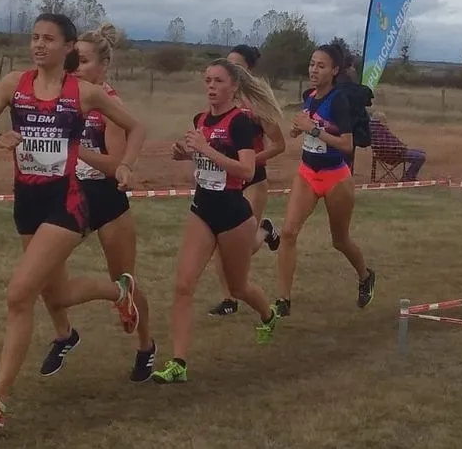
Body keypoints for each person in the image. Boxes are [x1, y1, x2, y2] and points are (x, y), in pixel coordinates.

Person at [0, 13, 148, 428]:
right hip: (27, 202)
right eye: (34, 37)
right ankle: (118, 291)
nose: (39, 45)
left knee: (18, 295)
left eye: (48, 39)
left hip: (67, 202)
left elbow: (136, 127)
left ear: (68, 47)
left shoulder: (85, 92)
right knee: (56, 295)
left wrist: (126, 165)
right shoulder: (13, 85)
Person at [37, 22, 157, 383]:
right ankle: (65, 334)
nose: (75, 67)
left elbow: (115, 164)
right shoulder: (66, 96)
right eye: (73, 60)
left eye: (84, 61)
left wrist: (77, 150)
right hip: (71, 194)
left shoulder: (109, 105)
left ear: (103, 66)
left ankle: (146, 346)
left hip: (106, 198)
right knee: (42, 270)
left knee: (125, 280)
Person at [152, 58, 283, 384]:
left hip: (233, 214)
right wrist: (186, 153)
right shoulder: (200, 119)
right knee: (183, 286)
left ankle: (268, 314)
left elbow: (247, 170)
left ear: (234, 86)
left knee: (237, 287)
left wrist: (205, 150)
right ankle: (178, 363)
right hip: (202, 209)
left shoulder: (240, 122)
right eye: (208, 80)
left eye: (218, 81)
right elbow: (204, 157)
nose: (211, 86)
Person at [274, 43, 376, 318]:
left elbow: (346, 144)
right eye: (311, 64)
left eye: (321, 66)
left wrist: (314, 130)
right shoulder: (309, 96)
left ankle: (365, 275)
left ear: (334, 70)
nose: (314, 70)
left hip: (335, 177)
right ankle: (283, 300)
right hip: (307, 172)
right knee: (288, 232)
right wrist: (299, 129)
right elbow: (310, 126)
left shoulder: (339, 100)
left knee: (339, 240)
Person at [208, 44, 284, 317]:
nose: (230, 69)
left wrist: (249, 163)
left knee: (241, 246)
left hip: (253, 180)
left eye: (236, 65)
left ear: (247, 71)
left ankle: (265, 231)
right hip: (226, 182)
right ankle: (228, 299)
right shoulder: (220, 104)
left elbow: (279, 145)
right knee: (220, 241)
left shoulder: (256, 106)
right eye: (227, 64)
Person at [368, 111, 426, 181]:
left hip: (389, 153)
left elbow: (386, 144)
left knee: (421, 152)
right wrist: (401, 147)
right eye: (384, 119)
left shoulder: (373, 130)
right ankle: (408, 177)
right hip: (394, 154)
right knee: (420, 157)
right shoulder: (381, 130)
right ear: (380, 120)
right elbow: (389, 145)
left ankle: (409, 177)